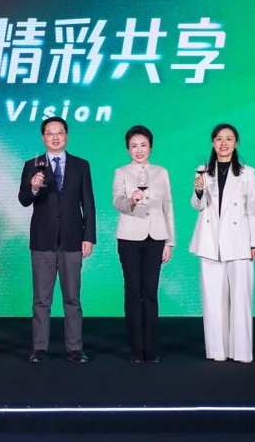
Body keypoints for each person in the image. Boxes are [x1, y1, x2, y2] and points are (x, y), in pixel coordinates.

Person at [18, 116, 96, 364]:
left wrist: (89, 236)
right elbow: (23, 199)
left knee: (72, 297)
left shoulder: (81, 165)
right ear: (43, 137)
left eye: (59, 132)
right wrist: (33, 187)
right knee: (41, 299)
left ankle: (75, 347)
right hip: (43, 240)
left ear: (66, 136)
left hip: (72, 239)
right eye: (50, 133)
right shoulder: (32, 165)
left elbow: (88, 203)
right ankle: (39, 347)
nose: (55, 137)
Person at [189, 123, 255, 363]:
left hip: (239, 241)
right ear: (213, 142)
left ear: (236, 143)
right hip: (210, 241)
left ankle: (241, 351)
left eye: (229, 139)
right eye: (219, 138)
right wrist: (198, 192)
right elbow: (197, 205)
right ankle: (216, 351)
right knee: (212, 300)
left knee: (241, 298)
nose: (224, 143)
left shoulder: (247, 173)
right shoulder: (203, 171)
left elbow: (253, 209)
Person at [112, 125, 175, 363]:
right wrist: (131, 200)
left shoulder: (161, 172)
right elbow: (117, 201)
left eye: (143, 145)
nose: (139, 150)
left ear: (150, 147)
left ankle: (151, 349)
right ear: (128, 149)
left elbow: (168, 207)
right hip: (129, 238)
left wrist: (169, 242)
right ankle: (136, 350)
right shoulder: (121, 172)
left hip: (156, 238)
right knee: (133, 292)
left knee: (150, 293)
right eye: (134, 146)